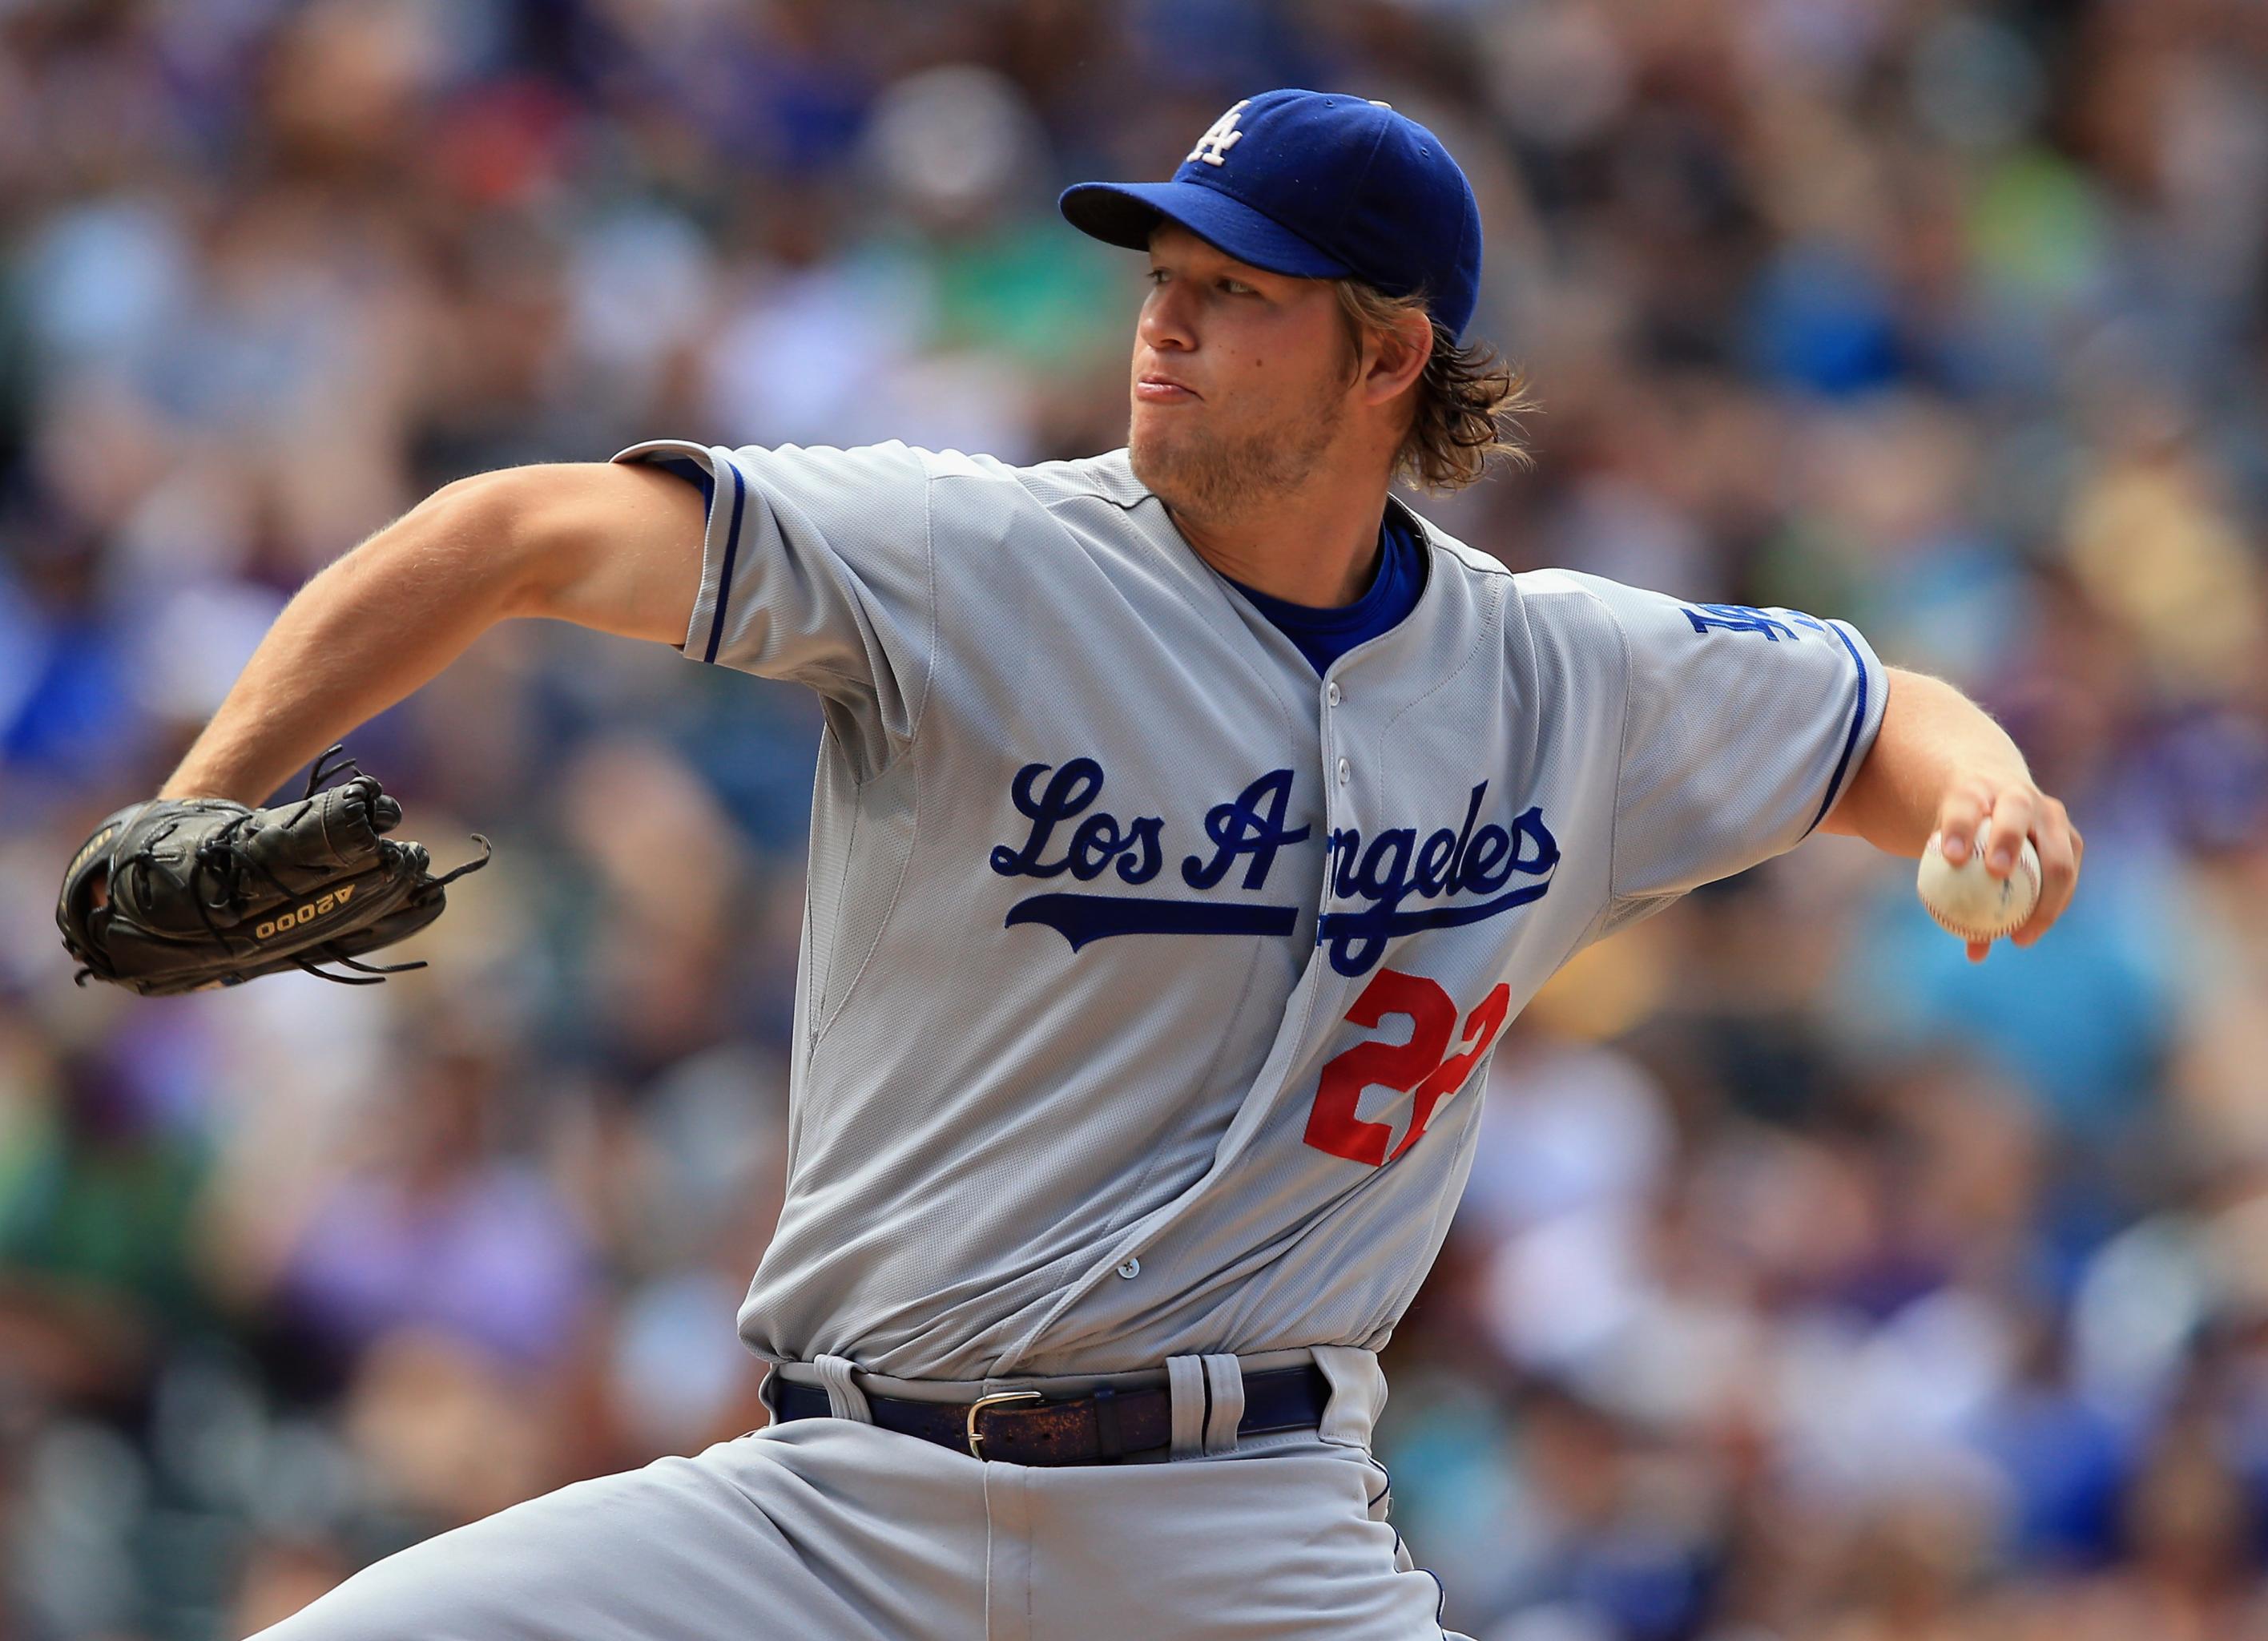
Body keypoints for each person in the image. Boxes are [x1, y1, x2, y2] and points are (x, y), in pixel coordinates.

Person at [155, 89, 2081, 1640]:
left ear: (1388, 355)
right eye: (1162, 267)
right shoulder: (968, 562)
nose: (1165, 312)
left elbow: (1877, 714)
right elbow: (518, 532)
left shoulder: (1553, 678)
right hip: (833, 1518)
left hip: (1247, 1538)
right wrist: (209, 786)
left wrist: (1987, 798)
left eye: (1239, 288)